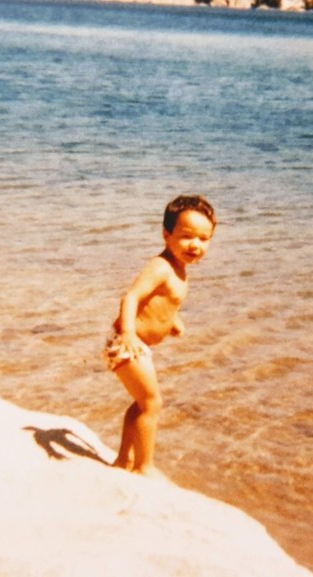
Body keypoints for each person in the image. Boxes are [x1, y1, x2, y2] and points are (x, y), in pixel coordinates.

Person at [104, 195, 216, 476]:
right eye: (187, 236)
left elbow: (161, 303)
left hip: (133, 344)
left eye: (204, 239)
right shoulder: (161, 266)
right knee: (153, 403)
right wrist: (129, 333)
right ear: (167, 235)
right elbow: (131, 297)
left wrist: (172, 322)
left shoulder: (179, 270)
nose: (195, 245)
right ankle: (145, 466)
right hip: (127, 342)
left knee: (141, 403)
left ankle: (123, 460)